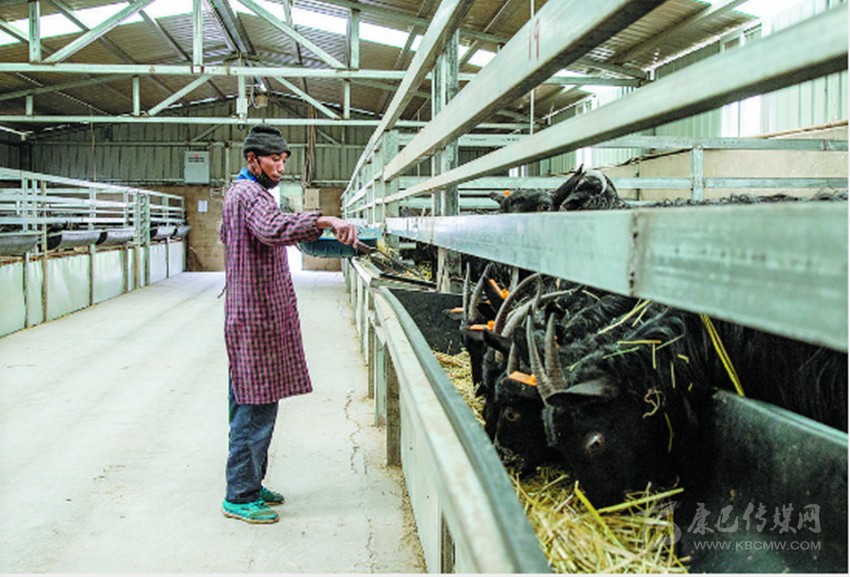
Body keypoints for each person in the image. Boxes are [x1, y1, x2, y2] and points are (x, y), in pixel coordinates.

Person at [219, 124, 358, 524]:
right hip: (255, 316)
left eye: (283, 160)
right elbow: (272, 228)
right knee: (255, 408)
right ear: (252, 160)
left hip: (249, 313)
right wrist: (324, 220)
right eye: (274, 160)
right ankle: (240, 495)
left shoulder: (244, 193)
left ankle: (250, 481)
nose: (280, 167)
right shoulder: (249, 194)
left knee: (249, 402)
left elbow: (250, 233)